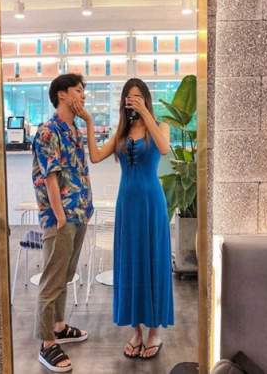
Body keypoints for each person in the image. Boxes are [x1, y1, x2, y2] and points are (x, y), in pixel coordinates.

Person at [72, 78, 174, 360]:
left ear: (146, 99)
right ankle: (136, 331)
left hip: (152, 204)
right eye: (129, 97)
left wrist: (145, 114)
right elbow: (95, 157)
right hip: (127, 204)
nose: (133, 100)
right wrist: (89, 122)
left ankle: (154, 332)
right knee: (130, 263)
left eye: (138, 96)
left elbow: (164, 148)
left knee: (152, 261)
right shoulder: (121, 132)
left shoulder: (160, 126)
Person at [32, 73, 93, 372]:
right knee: (52, 278)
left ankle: (58, 327)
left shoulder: (74, 129)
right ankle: (47, 343)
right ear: (62, 94)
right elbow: (50, 177)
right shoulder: (48, 131)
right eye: (78, 90)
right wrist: (58, 216)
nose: (83, 95)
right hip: (62, 217)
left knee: (66, 274)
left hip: (79, 212)